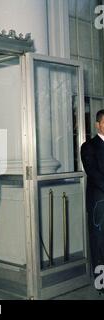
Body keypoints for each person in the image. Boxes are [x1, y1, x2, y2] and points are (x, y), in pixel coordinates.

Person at [81, 109, 104, 287]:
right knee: (98, 243)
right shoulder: (88, 146)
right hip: (99, 202)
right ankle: (100, 284)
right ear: (98, 124)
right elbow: (94, 174)